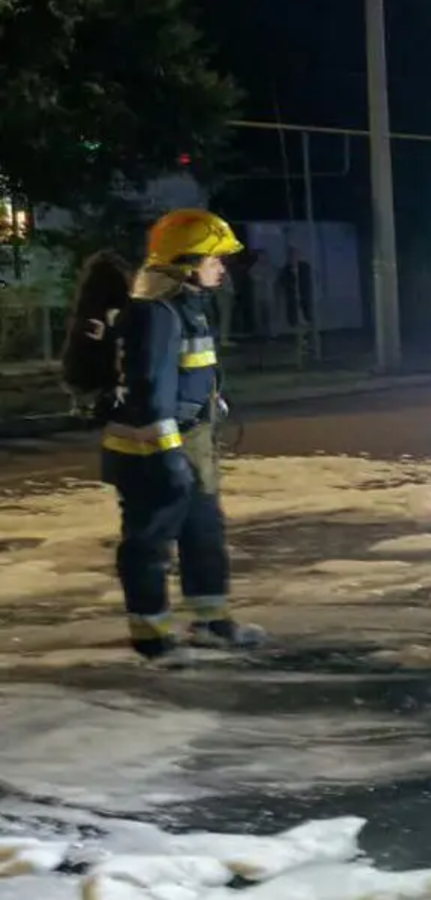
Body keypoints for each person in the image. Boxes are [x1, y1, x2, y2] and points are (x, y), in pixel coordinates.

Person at [102, 209, 266, 663]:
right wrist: (168, 456)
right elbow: (151, 392)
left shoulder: (185, 305)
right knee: (150, 540)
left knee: (203, 532)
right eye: (214, 259)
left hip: (189, 440)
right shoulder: (158, 313)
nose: (221, 267)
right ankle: (152, 638)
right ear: (186, 263)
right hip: (153, 445)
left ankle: (211, 622)